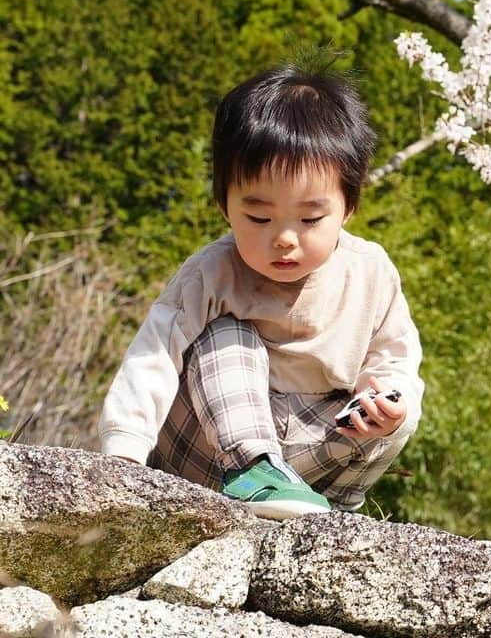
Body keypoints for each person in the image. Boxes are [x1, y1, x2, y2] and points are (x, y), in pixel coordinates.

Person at [99, 62, 423, 520]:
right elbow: (152, 357)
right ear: (225, 206)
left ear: (348, 207)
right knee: (226, 335)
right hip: (204, 458)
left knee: (396, 409)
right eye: (259, 218)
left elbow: (395, 361)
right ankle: (256, 470)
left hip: (311, 471)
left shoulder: (370, 273)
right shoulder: (213, 272)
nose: (285, 238)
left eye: (310, 219)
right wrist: (123, 456)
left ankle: (332, 512)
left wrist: (387, 403)